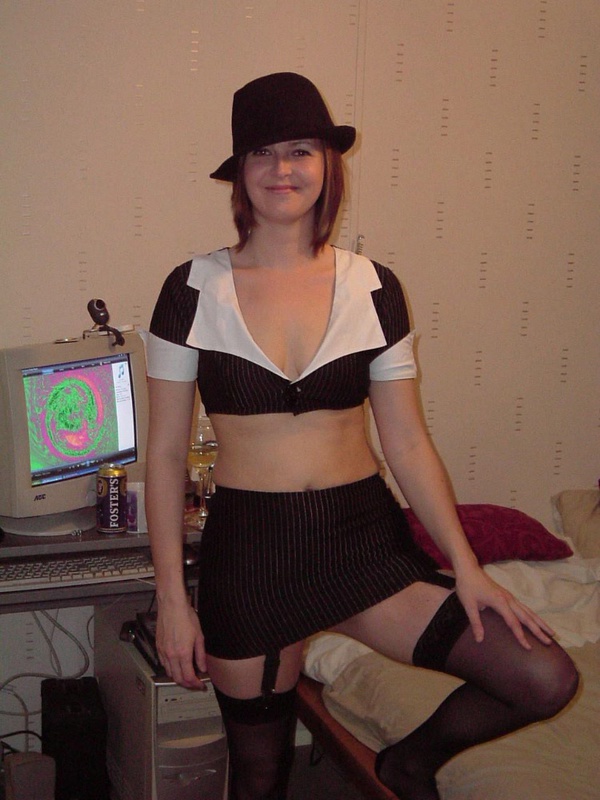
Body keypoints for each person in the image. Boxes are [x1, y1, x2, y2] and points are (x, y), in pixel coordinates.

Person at [145, 72, 578, 800]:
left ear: (328, 164)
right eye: (262, 153)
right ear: (240, 172)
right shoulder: (189, 291)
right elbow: (162, 454)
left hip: (363, 543)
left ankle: (408, 762)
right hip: (252, 555)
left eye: (301, 150)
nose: (282, 169)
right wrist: (170, 598)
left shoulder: (374, 287)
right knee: (260, 776)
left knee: (543, 676)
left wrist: (468, 567)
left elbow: (406, 443)